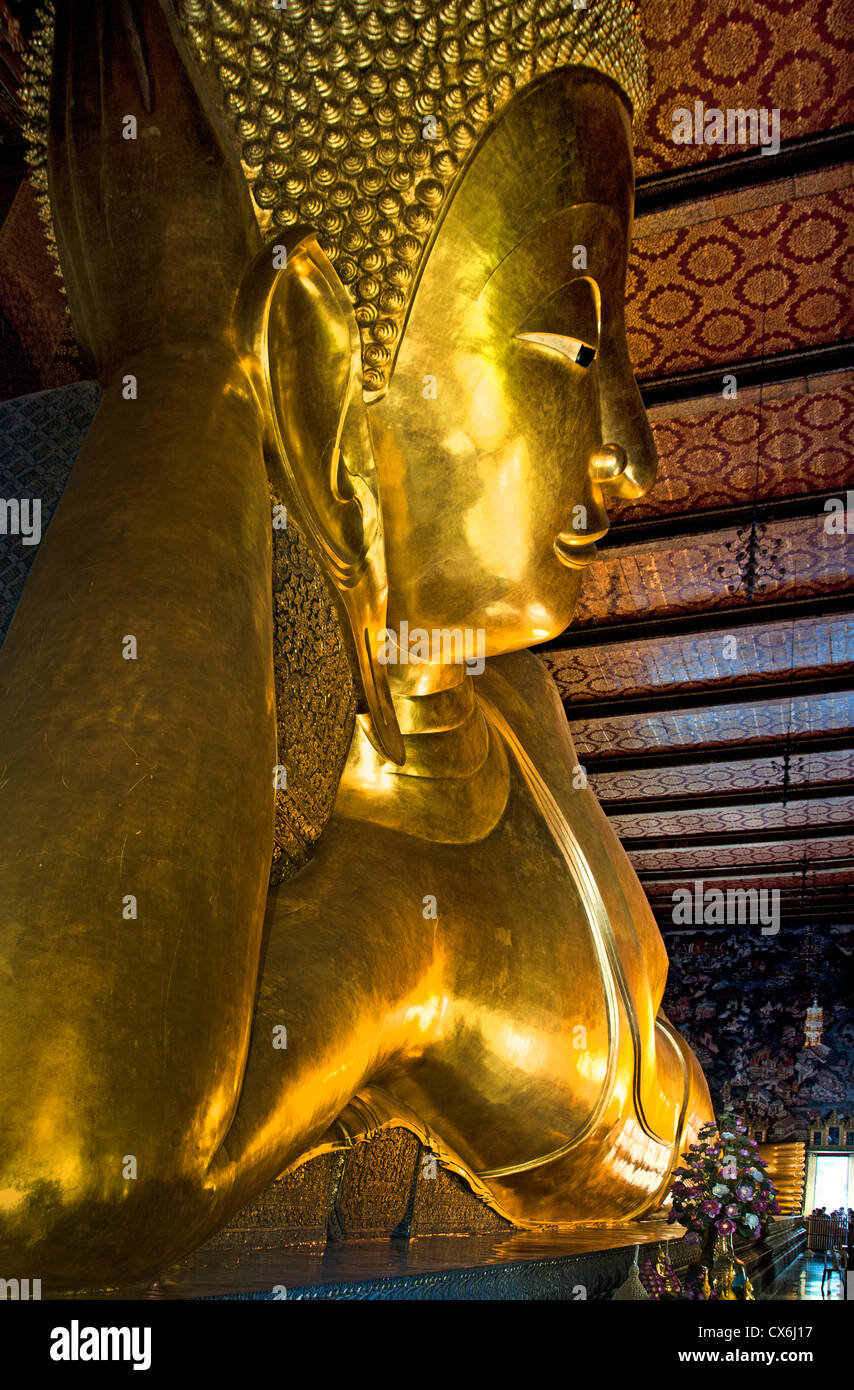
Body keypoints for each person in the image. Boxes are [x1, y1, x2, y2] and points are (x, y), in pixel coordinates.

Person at [0, 0, 712, 1288]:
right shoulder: (389, 925)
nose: (633, 457)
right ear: (329, 391)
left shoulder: (522, 703)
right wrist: (190, 365)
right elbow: (58, 1172)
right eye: (575, 343)